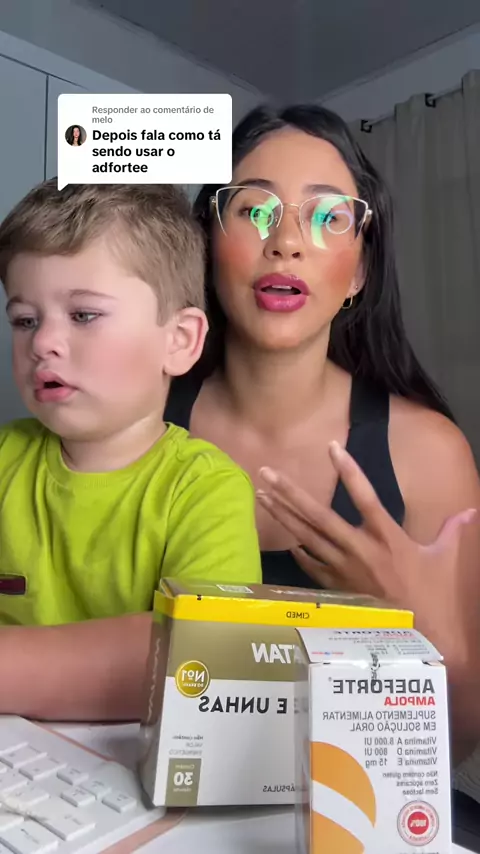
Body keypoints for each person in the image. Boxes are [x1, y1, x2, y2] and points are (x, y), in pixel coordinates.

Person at [165, 104, 480, 762]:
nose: (286, 241)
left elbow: (460, 743)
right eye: (253, 209)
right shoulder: (141, 419)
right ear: (207, 245)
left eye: (328, 216)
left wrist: (423, 623)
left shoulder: (430, 455)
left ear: (360, 272)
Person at [0, 179, 261, 721]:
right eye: (25, 320)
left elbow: (203, 657)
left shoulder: (205, 490)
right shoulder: (6, 456)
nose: (42, 343)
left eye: (83, 315)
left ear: (180, 341)